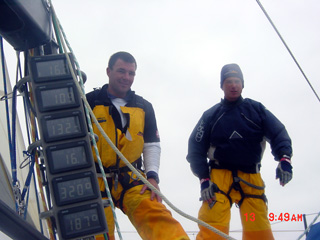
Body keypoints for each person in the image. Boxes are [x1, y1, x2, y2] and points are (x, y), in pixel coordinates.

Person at [86, 51, 189, 240]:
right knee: (97, 235)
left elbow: (151, 144)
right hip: (95, 179)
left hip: (131, 178)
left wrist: (152, 177)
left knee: (160, 220)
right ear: (108, 71)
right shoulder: (89, 102)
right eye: (121, 71)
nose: (126, 77)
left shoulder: (144, 106)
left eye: (131, 73)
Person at [186, 63, 293, 240]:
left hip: (251, 178)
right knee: (212, 226)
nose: (233, 85)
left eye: (237, 81)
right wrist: (204, 179)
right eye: (228, 81)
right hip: (219, 180)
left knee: (256, 225)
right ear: (222, 85)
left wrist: (284, 159)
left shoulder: (256, 110)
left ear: (243, 84)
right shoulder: (211, 115)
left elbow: (278, 133)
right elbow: (195, 148)